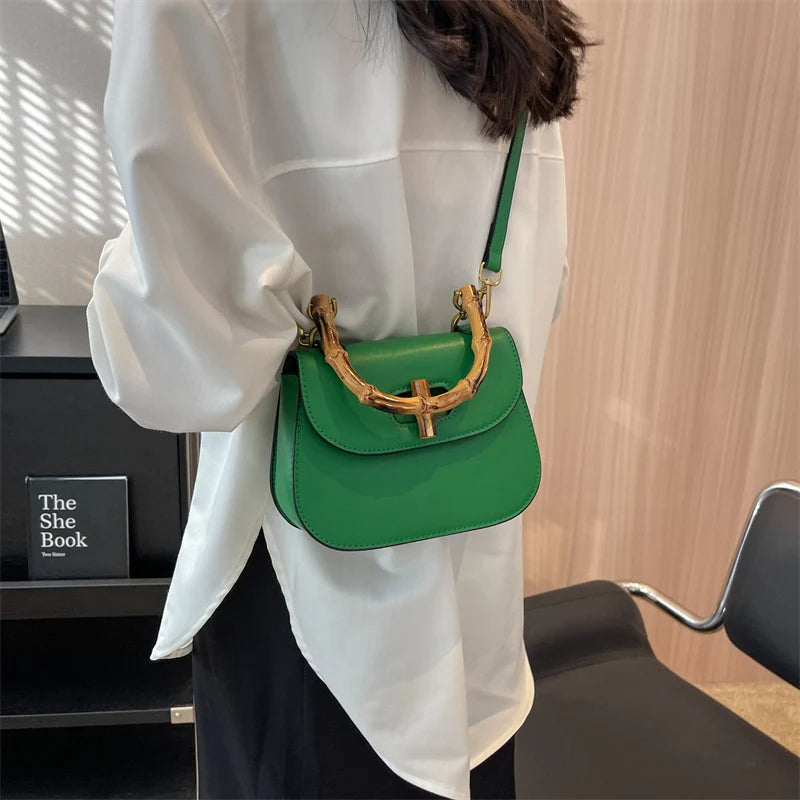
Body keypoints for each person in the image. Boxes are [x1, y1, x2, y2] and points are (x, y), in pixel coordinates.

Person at [87, 1, 597, 797]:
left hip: (307, 596)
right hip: (474, 565)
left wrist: (124, 270)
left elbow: (181, 364)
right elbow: (545, 280)